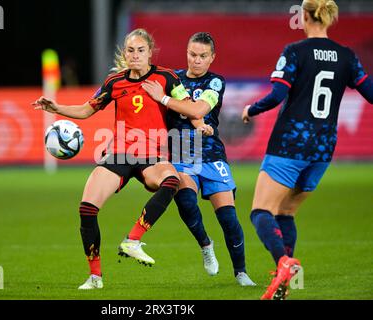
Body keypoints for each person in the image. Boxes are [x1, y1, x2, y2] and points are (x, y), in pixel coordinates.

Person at [32, 28, 214, 290]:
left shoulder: (167, 78)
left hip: (152, 154)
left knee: (171, 179)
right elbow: (87, 109)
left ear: (150, 52)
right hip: (119, 153)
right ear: (124, 53)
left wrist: (200, 123)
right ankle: (95, 277)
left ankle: (133, 240)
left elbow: (186, 105)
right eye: (130, 50)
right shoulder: (115, 82)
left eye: (141, 50)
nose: (135, 55)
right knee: (87, 208)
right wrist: (56, 107)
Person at [240, 0, 373, 300]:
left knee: (262, 212)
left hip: (291, 143)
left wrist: (251, 109)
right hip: (324, 147)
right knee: (287, 212)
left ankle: (284, 264)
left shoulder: (295, 52)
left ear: (304, 16)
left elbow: (277, 94)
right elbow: (370, 93)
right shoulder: (347, 56)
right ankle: (289, 279)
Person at [162, 32, 256, 286]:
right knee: (186, 202)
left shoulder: (216, 82)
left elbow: (199, 109)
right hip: (181, 152)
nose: (197, 60)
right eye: (193, 55)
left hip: (212, 154)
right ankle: (205, 244)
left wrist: (168, 101)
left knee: (228, 218)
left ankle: (241, 272)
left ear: (212, 57)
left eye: (203, 56)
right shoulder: (173, 79)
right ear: (187, 53)